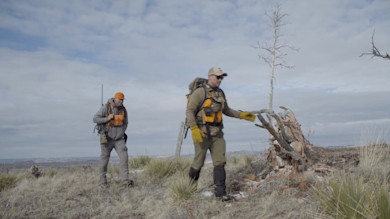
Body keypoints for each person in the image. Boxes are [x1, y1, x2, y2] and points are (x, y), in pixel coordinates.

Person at [186, 66, 256, 201]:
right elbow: (189, 111)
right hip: (202, 134)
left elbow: (227, 110)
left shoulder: (221, 93)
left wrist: (242, 115)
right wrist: (194, 128)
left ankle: (221, 195)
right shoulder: (200, 92)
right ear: (210, 76)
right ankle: (189, 190)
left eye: (222, 77)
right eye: (218, 77)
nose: (220, 80)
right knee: (198, 162)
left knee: (220, 162)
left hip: (217, 134)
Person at [93, 92, 133, 187]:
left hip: (119, 139)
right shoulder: (106, 107)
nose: (121, 101)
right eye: (120, 99)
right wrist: (107, 118)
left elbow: (126, 123)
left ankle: (125, 181)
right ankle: (102, 182)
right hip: (107, 138)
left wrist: (121, 132)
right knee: (104, 160)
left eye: (122, 100)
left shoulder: (124, 110)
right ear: (115, 99)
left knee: (124, 158)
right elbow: (95, 119)